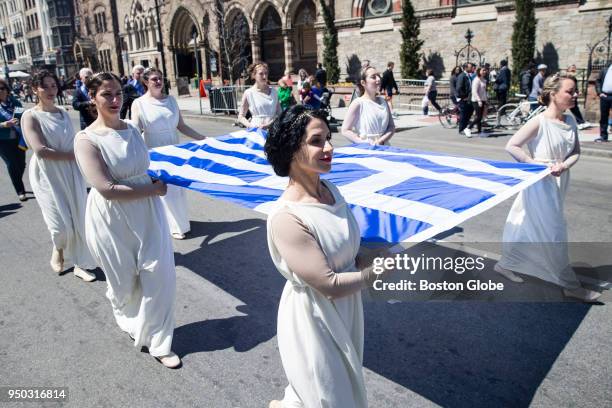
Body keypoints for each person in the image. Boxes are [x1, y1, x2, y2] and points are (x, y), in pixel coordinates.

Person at [264, 105, 379, 408]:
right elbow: (328, 283)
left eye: (329, 138)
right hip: (314, 318)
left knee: (332, 391)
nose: (329, 147)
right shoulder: (286, 217)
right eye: (317, 141)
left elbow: (346, 247)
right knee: (331, 397)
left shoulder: (331, 189)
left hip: (346, 308)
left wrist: (370, 255)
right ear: (292, 148)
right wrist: (377, 273)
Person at [73, 72, 180, 368]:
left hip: (147, 211)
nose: (115, 99)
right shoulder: (86, 139)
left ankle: (159, 340)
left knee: (160, 275)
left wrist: (160, 180)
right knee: (124, 282)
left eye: (118, 92)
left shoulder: (132, 128)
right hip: (111, 218)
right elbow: (106, 188)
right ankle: (123, 307)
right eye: (107, 94)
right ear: (93, 97)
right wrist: (153, 189)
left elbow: (142, 167)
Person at [494, 74, 600, 302]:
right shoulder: (539, 121)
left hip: (560, 180)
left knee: (526, 223)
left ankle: (505, 264)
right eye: (570, 91)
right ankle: (569, 285)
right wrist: (537, 167)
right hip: (540, 182)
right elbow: (511, 146)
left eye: (575, 91)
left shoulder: (570, 120)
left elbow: (575, 152)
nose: (575, 95)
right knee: (554, 231)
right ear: (553, 94)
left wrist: (564, 165)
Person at [21, 70, 96, 281]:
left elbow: (73, 140)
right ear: (35, 89)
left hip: (71, 171)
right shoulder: (30, 116)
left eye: (54, 85)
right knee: (59, 224)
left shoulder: (63, 112)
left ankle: (80, 263)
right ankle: (59, 247)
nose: (51, 90)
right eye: (45, 86)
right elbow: (41, 150)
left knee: (77, 219)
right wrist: (74, 155)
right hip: (47, 173)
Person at [131, 67, 207, 240]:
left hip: (174, 149)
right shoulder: (139, 103)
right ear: (146, 82)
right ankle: (169, 226)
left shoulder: (171, 100)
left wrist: (201, 138)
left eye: (160, 78)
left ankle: (181, 223)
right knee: (163, 190)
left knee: (177, 188)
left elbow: (181, 125)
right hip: (155, 151)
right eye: (154, 79)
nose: (158, 82)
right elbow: (135, 129)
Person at [341, 66, 395, 145]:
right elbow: (345, 130)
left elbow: (391, 127)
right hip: (366, 149)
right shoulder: (358, 103)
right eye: (373, 77)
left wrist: (381, 141)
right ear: (363, 83)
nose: (379, 79)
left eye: (378, 76)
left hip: (384, 147)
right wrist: (363, 142)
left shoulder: (384, 102)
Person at [0, 78, 27, 201]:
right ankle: (20, 190)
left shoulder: (15, 102)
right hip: (3, 141)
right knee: (12, 164)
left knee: (21, 164)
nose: (0, 91)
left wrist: (21, 120)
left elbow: (23, 116)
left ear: (6, 89)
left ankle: (17, 179)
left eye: (2, 88)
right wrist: (4, 124)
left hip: (18, 137)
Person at [237, 62, 281, 129]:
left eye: (266, 73)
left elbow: (280, 114)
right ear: (254, 75)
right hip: (256, 131)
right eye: (261, 74)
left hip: (273, 130)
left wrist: (269, 124)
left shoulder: (274, 92)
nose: (264, 76)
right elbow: (241, 116)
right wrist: (250, 126)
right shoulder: (249, 93)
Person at [455, 62, 475, 138]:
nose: (472, 68)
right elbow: (459, 88)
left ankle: (465, 128)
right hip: (464, 99)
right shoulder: (462, 76)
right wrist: (463, 96)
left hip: (469, 98)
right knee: (463, 115)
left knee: (468, 113)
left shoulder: (467, 75)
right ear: (466, 68)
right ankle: (461, 129)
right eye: (470, 67)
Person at [595, 61, 612, 142]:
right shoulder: (605, 69)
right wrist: (600, 92)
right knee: (603, 117)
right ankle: (603, 136)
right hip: (605, 96)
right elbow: (598, 81)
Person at [470, 66, 489, 135]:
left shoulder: (484, 80)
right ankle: (468, 128)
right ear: (479, 71)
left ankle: (479, 131)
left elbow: (484, 91)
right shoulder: (476, 80)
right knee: (479, 117)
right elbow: (474, 91)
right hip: (476, 100)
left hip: (482, 100)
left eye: (485, 70)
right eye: (483, 70)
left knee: (480, 116)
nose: (484, 72)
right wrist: (479, 100)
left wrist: (486, 100)